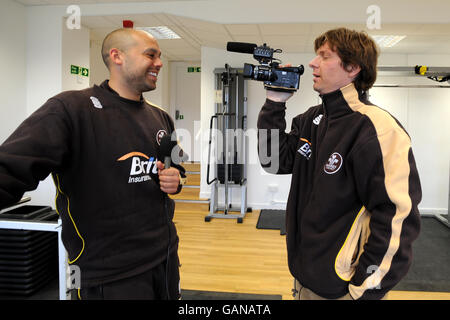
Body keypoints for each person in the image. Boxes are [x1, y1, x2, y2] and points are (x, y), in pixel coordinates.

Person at [0, 28, 187, 300]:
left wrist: (176, 178)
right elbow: (9, 170)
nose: (159, 63)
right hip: (107, 272)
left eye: (160, 56)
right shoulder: (71, 109)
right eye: (151, 55)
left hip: (165, 257)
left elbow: (176, 164)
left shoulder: (160, 117)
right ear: (117, 56)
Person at [257, 28, 422, 300]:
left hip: (343, 290)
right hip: (303, 279)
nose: (312, 62)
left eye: (324, 56)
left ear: (353, 67)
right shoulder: (311, 119)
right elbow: (272, 161)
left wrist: (362, 293)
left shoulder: (376, 129)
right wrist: (274, 103)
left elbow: (396, 219)